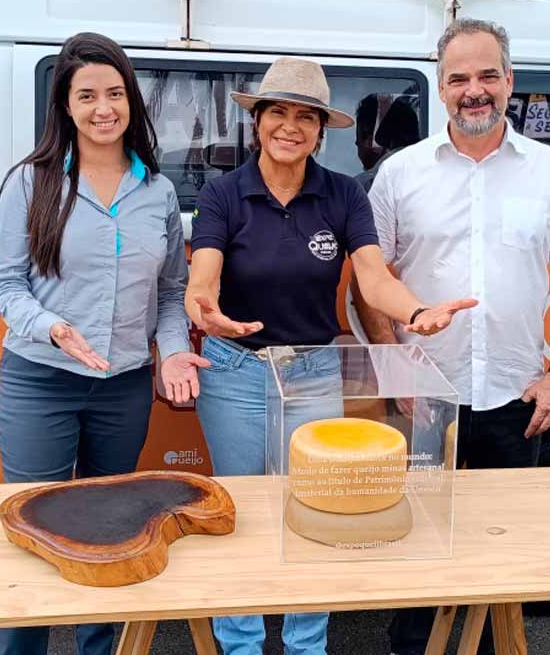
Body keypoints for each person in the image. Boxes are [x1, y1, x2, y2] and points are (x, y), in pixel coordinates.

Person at [185, 56, 476, 655]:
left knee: (316, 509)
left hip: (313, 372)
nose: (290, 127)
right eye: (278, 113)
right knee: (237, 513)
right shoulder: (223, 195)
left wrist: (417, 312)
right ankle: (240, 644)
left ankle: (306, 643)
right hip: (235, 372)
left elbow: (372, 280)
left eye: (305, 117)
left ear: (321, 131)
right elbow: (203, 276)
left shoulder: (343, 195)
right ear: (258, 121)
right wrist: (204, 307)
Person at [353, 18, 550, 655]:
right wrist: (394, 366)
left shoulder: (549, 172)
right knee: (415, 546)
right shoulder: (400, 174)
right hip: (425, 398)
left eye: (487, 75)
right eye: (459, 78)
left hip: (516, 398)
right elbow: (370, 278)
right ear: (440, 89)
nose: (474, 90)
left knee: (500, 552)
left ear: (510, 82)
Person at [0, 32, 208, 655]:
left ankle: (100, 647)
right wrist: (52, 327)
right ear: (65, 104)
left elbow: (169, 293)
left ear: (132, 102)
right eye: (87, 95)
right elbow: (3, 287)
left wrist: (172, 352)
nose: (103, 108)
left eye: (115, 93)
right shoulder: (31, 184)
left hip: (124, 388)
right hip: (40, 382)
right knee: (36, 528)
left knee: (114, 533)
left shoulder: (158, 192)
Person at [354, 96, 421, 192]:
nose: (356, 143)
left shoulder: (358, 189)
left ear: (371, 141)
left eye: (358, 137)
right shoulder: (431, 179)